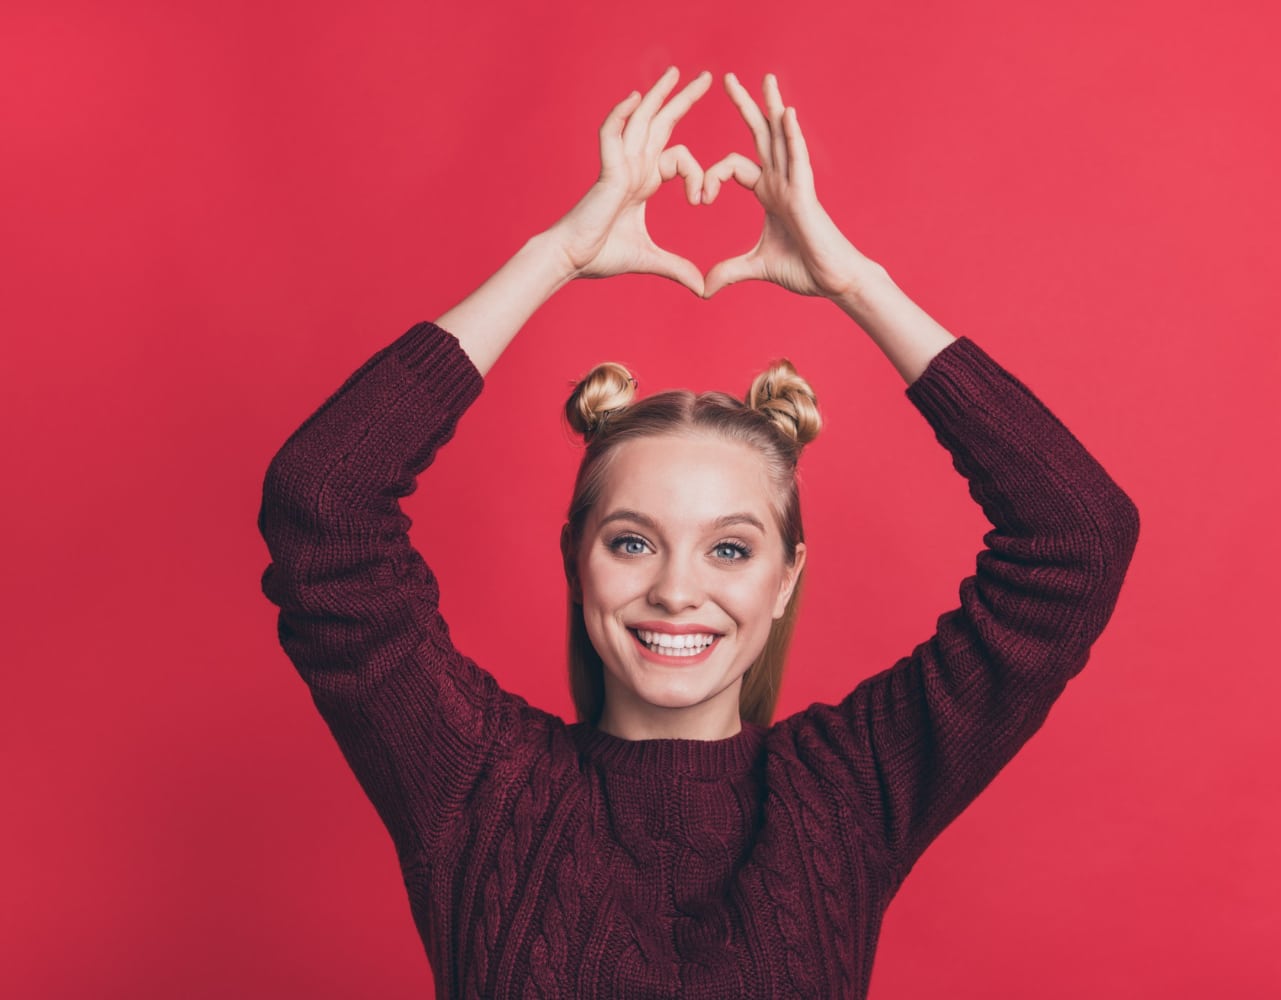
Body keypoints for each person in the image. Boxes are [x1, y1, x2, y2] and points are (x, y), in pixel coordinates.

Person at [258, 65, 1140, 1000]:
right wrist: (554, 256)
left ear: (786, 577)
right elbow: (323, 503)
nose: (677, 590)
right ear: (575, 559)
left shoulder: (845, 797)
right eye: (633, 541)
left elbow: (1077, 538)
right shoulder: (478, 787)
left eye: (730, 548)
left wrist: (856, 282)